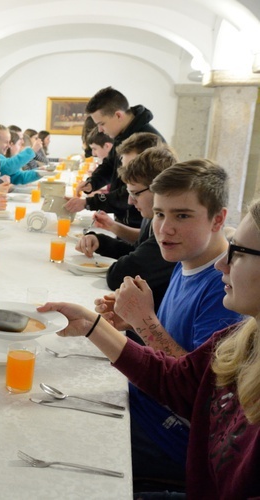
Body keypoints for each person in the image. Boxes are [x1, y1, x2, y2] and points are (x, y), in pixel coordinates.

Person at [38, 197, 260, 499]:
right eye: (158, 214)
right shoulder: (242, 338)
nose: (222, 262)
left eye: (239, 253)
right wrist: (93, 325)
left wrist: (143, 321)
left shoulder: (219, 301)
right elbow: (178, 380)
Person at [93, 160, 243, 490]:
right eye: (160, 214)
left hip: (173, 440)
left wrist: (145, 323)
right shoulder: (186, 257)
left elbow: (197, 395)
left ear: (218, 219)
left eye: (182, 215)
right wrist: (132, 325)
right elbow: (175, 346)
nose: (165, 228)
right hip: (145, 403)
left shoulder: (226, 291)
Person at [76, 145, 177, 310]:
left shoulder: (169, 231)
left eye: (135, 193)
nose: (130, 201)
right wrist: (101, 242)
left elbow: (119, 275)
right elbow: (137, 252)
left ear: (159, 189)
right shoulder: (150, 218)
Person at [65, 87, 163, 228]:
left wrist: (89, 203)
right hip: (125, 217)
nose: (100, 130)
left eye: (101, 124)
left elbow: (132, 190)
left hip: (139, 221)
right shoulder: (122, 134)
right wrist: (93, 183)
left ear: (118, 115)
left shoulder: (147, 141)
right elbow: (110, 164)